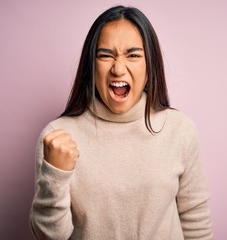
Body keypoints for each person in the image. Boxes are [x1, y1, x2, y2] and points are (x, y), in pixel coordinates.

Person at [29, 5, 213, 240]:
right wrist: (55, 174)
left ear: (150, 66)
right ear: (91, 66)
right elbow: (49, 237)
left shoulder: (180, 130)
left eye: (133, 55)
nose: (117, 68)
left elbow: (196, 221)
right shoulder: (57, 137)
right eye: (105, 55)